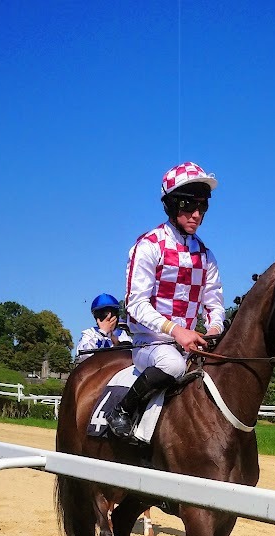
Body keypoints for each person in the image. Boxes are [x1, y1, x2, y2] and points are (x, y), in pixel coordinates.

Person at [106, 161, 225, 438]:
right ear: (171, 205)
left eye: (203, 207)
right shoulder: (149, 246)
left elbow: (214, 304)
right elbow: (135, 304)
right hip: (151, 344)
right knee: (172, 364)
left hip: (191, 344)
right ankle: (122, 410)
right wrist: (176, 331)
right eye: (188, 205)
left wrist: (214, 329)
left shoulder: (206, 256)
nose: (196, 214)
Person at [75, 293, 131, 361]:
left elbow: (132, 356)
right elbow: (83, 356)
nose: (108, 318)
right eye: (103, 315)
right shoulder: (89, 333)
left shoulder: (122, 334)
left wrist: (117, 343)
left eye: (112, 313)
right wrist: (103, 332)